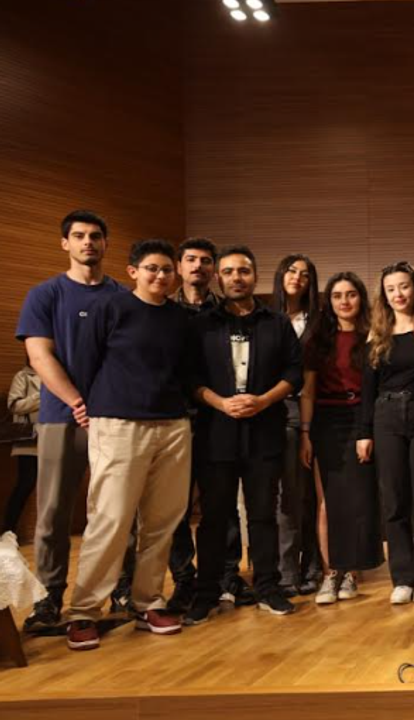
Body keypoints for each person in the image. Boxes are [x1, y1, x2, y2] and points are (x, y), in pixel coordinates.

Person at [61, 239, 194, 650]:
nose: (160, 276)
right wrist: (94, 407)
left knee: (162, 521)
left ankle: (148, 602)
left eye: (167, 270)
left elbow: (187, 370)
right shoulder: (111, 307)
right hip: (118, 423)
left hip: (172, 425)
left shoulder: (181, 317)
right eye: (152, 268)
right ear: (133, 271)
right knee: (111, 518)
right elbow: (84, 363)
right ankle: (84, 610)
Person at [15, 210, 128, 632]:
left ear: (105, 243)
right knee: (53, 513)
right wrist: (77, 401)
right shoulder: (45, 295)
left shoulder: (122, 297)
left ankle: (119, 590)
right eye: (79, 236)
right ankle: (48, 598)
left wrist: (104, 403)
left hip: (116, 419)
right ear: (65, 243)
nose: (87, 242)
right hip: (61, 418)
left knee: (118, 512)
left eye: (95, 236)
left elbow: (129, 358)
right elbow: (39, 355)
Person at [185, 245, 301, 624]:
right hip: (215, 434)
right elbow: (190, 379)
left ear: (255, 276)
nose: (237, 278)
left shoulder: (277, 323)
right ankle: (206, 592)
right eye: (229, 272)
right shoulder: (202, 324)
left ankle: (268, 587)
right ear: (219, 278)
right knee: (215, 517)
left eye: (244, 271)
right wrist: (221, 403)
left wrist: (263, 401)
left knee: (263, 515)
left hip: (264, 431)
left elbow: (294, 373)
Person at [358, 261, 414, 605]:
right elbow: (368, 389)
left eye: (404, 286)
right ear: (384, 294)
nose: (398, 294)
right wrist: (364, 433)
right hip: (387, 415)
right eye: (391, 289)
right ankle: (402, 577)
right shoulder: (377, 333)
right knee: (394, 501)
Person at [300, 272, 385, 604]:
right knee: (328, 502)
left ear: (361, 298)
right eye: (337, 296)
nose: (345, 301)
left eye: (351, 294)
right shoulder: (317, 339)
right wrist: (305, 433)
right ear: (329, 302)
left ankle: (351, 572)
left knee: (359, 500)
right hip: (326, 420)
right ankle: (330, 572)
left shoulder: (373, 336)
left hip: (363, 418)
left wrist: (368, 430)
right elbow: (308, 392)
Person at [164, 237, 228, 614]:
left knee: (220, 503)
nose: (198, 266)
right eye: (191, 259)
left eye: (205, 260)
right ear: (179, 265)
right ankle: (183, 577)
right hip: (173, 417)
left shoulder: (225, 311)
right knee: (176, 507)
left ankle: (224, 575)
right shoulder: (164, 309)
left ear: (213, 269)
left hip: (218, 417)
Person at [271, 254, 324, 597]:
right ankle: (285, 570)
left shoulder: (317, 321)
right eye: (292, 271)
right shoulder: (266, 317)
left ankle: (313, 566)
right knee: (285, 496)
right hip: (272, 410)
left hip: (310, 410)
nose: (297, 278)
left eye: (305, 274)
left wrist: (306, 427)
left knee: (308, 495)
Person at [4, 356, 40, 535]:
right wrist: (42, 396)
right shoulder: (23, 376)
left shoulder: (56, 378)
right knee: (25, 484)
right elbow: (14, 405)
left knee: (51, 487)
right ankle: (7, 530)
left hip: (51, 438)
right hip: (29, 441)